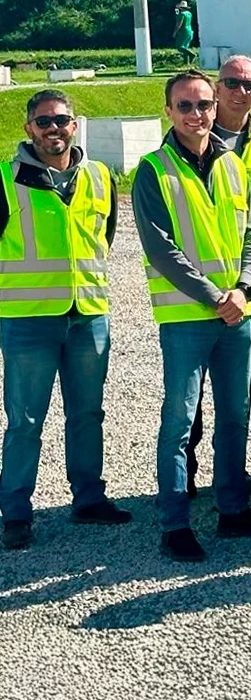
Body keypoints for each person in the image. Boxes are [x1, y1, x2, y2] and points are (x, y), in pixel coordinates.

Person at [132, 69, 251, 563]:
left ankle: (233, 511)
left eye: (203, 105)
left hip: (235, 313)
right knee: (179, 420)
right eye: (185, 106)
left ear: (214, 108)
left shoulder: (234, 166)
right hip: (187, 317)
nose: (196, 115)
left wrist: (243, 288)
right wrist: (213, 296)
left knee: (236, 416)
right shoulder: (153, 170)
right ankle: (174, 523)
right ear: (168, 111)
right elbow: (161, 249)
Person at [0, 91, 128, 551]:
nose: (54, 128)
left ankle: (89, 498)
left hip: (88, 315)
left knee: (88, 413)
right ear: (28, 129)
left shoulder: (98, 176)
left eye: (62, 120)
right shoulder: (5, 179)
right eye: (44, 121)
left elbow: (105, 236)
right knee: (25, 420)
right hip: (28, 319)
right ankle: (15, 513)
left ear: (75, 125)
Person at [186, 54, 251, 499]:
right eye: (233, 83)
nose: (242, 93)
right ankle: (184, 471)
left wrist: (249, 281)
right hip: (202, 291)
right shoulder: (191, 137)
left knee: (239, 388)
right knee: (193, 391)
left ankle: (231, 475)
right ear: (216, 88)